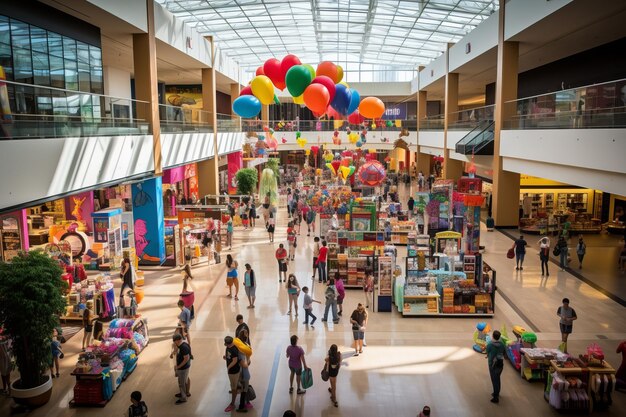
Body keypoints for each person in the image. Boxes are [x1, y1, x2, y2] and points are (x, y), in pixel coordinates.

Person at [486, 329, 506, 404]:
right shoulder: (502, 344)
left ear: (493, 336)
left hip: (492, 364)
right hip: (500, 363)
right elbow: (504, 352)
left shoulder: (490, 344)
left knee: (494, 380)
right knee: (498, 378)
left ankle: (495, 397)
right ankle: (497, 392)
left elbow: (487, 352)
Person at [223, 336, 241, 412]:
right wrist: (226, 357)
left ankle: (232, 404)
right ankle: (235, 389)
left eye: (226, 344)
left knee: (234, 387)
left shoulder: (234, 349)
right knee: (232, 384)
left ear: (228, 343)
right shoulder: (228, 347)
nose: (225, 345)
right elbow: (229, 356)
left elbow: (235, 360)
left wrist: (228, 367)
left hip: (234, 371)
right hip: (231, 371)